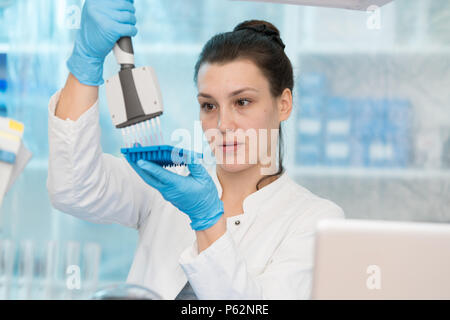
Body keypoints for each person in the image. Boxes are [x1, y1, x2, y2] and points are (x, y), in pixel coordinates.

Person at [47, 0, 345, 300]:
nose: (223, 124)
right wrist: (86, 60)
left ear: (284, 104)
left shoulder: (315, 221)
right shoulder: (169, 183)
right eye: (209, 105)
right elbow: (74, 189)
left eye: (242, 102)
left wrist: (207, 219)